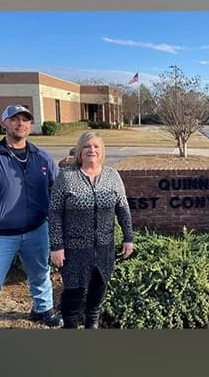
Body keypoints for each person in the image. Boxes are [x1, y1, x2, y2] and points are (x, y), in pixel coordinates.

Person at [0, 105, 62, 329]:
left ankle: (42, 309)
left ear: (30, 125)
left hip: (36, 231)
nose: (20, 123)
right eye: (14, 119)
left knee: (40, 275)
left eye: (25, 119)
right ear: (4, 124)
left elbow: (57, 188)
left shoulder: (42, 157)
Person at [49, 131, 135, 329]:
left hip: (104, 249)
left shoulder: (112, 176)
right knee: (73, 296)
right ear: (80, 150)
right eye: (87, 146)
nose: (92, 150)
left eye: (96, 146)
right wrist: (57, 246)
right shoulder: (67, 177)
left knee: (97, 297)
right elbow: (54, 212)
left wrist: (128, 237)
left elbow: (122, 208)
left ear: (102, 151)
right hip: (74, 250)